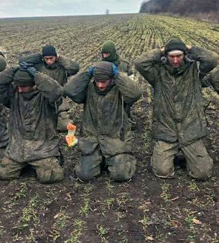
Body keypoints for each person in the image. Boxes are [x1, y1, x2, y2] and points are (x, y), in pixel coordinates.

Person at [134, 36, 219, 180]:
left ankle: (189, 155)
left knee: (203, 173)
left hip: (190, 131)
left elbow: (212, 59)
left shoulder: (195, 71)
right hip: (167, 131)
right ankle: (170, 155)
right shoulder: (157, 73)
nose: (175, 60)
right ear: (165, 56)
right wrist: (161, 50)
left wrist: (190, 48)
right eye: (171, 56)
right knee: (162, 171)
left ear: (184, 55)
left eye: (178, 56)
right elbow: (139, 63)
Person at [64, 61, 142, 181]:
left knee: (121, 175)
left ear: (111, 79)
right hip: (92, 143)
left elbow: (136, 93)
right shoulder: (88, 90)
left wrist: (118, 75)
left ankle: (125, 158)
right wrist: (87, 74)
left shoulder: (120, 91)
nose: (100, 85)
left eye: (104, 81)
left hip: (115, 142)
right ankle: (100, 160)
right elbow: (69, 90)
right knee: (84, 175)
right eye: (97, 81)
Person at [0, 64, 64, 183]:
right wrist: (12, 70)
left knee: (51, 176)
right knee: (3, 173)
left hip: (42, 150)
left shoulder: (46, 98)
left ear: (33, 84)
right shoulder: (13, 95)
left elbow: (57, 91)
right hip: (18, 149)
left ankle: (50, 160)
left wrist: (36, 75)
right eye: (18, 85)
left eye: (23, 86)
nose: (19, 89)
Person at [20, 45, 79, 131]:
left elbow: (75, 68)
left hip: (58, 101)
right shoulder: (39, 66)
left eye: (51, 58)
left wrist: (60, 58)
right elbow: (22, 62)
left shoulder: (62, 68)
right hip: (41, 100)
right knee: (38, 126)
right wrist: (38, 56)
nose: (49, 61)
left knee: (63, 126)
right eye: (46, 59)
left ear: (56, 57)